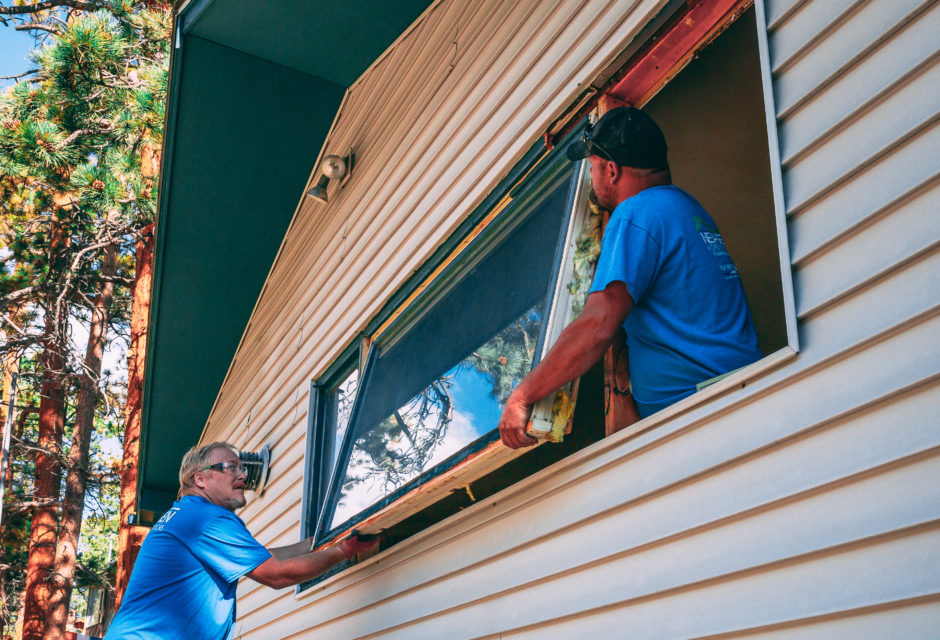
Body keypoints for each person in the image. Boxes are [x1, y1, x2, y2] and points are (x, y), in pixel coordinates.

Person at [499, 106, 761, 448]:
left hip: (703, 414)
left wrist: (522, 395)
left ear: (611, 170)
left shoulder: (635, 214)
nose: (590, 177)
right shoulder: (687, 209)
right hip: (734, 398)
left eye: (591, 167)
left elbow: (597, 325)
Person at [104, 442, 377, 639]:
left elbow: (262, 558)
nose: (243, 475)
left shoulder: (185, 515)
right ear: (200, 479)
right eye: (230, 467)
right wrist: (345, 550)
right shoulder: (208, 518)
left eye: (242, 468)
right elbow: (277, 575)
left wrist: (313, 543)